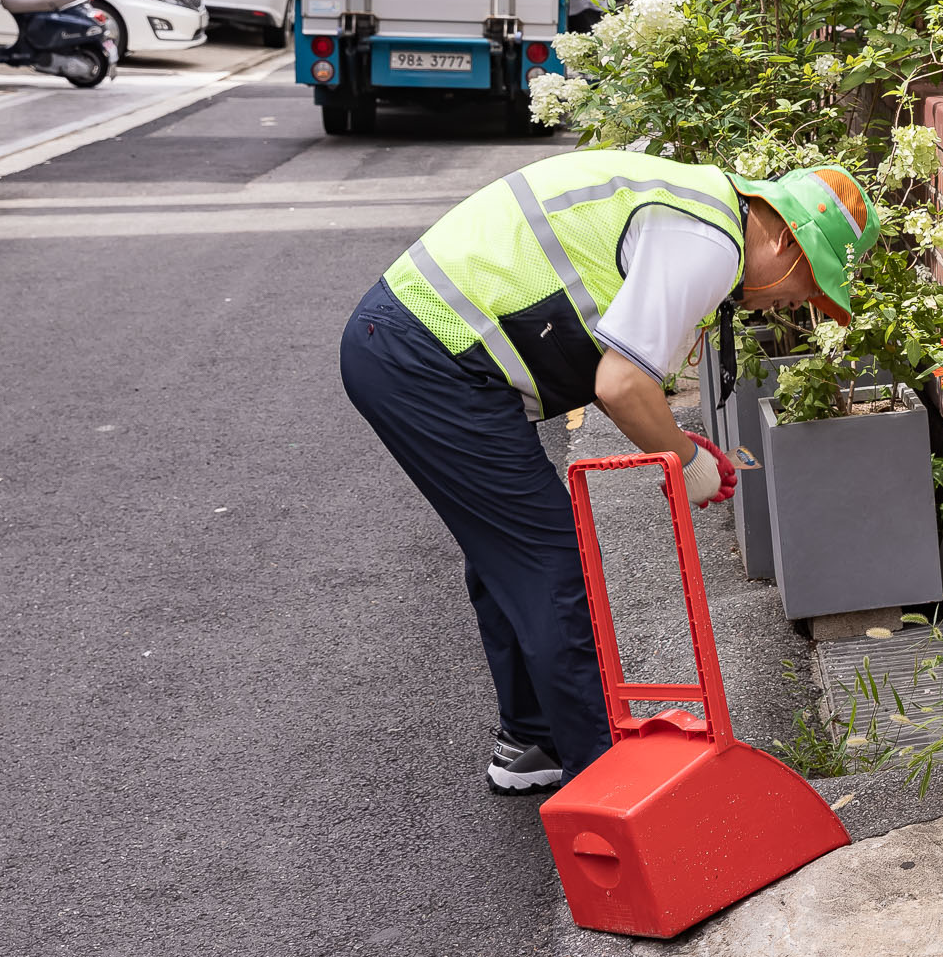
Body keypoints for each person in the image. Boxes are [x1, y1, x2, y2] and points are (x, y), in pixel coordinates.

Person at [341, 154, 880, 792]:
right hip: (427, 355)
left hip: (407, 342)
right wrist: (686, 459)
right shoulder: (709, 240)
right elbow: (621, 384)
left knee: (511, 550)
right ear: (789, 243)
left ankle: (533, 739)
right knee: (551, 561)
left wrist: (676, 440)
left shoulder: (700, 209)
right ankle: (608, 780)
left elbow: (626, 375)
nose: (796, 302)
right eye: (809, 284)